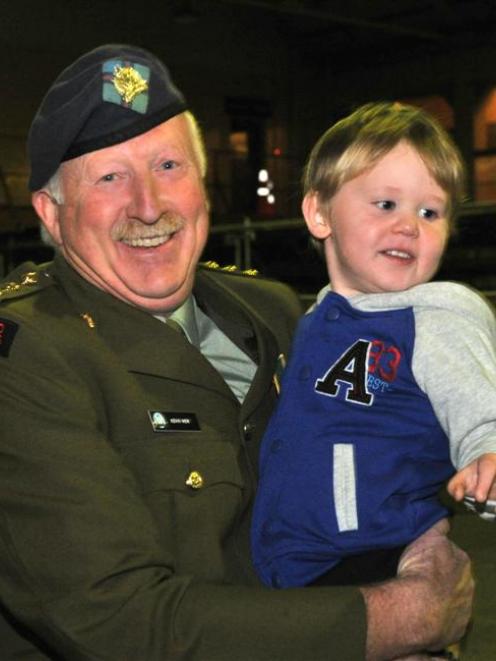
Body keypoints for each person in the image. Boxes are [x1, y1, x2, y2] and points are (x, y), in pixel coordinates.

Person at [0, 46, 472, 660]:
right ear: (52, 214)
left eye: (168, 165)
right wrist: (398, 618)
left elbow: (380, 460)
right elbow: (118, 620)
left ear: (202, 185)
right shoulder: (31, 357)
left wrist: (422, 549)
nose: (149, 205)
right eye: (110, 177)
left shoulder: (274, 311)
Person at [252, 102, 496, 593]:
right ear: (319, 213)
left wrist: (487, 456)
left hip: (371, 561)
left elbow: (479, 407)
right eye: (386, 204)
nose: (409, 225)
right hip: (288, 569)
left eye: (430, 212)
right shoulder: (313, 319)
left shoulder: (436, 314)